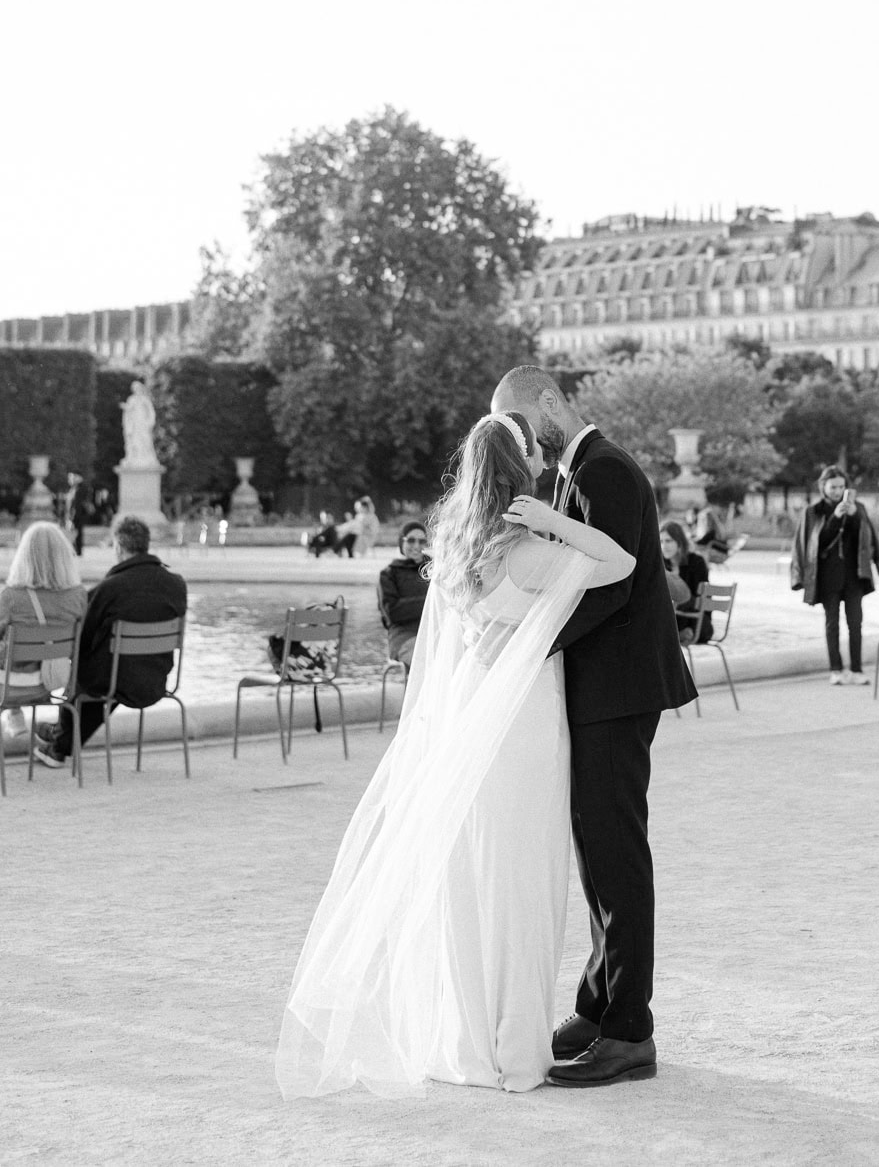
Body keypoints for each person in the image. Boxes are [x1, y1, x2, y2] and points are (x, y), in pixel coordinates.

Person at [275, 410, 638, 1098]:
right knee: (522, 883)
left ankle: (466, 1039)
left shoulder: (455, 552)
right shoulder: (527, 551)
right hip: (522, 721)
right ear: (516, 472)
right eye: (530, 456)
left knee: (469, 885)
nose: (540, 463)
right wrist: (555, 519)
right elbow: (620, 560)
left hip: (464, 720)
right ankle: (512, 1051)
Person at [490, 366, 693, 1088]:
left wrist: (526, 646)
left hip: (616, 688)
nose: (522, 438)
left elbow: (612, 589)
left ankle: (629, 1031)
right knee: (597, 852)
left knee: (616, 856)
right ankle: (599, 1003)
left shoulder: (603, 470)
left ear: (549, 400)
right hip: (607, 687)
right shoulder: (583, 470)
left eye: (521, 421)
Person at [34, 515, 186, 768]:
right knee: (114, 666)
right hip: (155, 680)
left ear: (118, 547)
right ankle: (60, 737)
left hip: (116, 682)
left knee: (90, 667)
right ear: (146, 545)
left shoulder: (112, 587)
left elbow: (82, 635)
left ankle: (61, 741)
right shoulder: (176, 584)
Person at [0, 522, 89, 783]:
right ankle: (14, 713)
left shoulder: (11, 596)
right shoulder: (78, 596)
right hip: (42, 686)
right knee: (5, 672)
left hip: (0, 683)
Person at [790, 465, 879, 685]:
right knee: (831, 623)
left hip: (854, 575)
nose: (837, 491)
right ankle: (836, 669)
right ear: (823, 487)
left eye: (841, 487)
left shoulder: (858, 509)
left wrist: (854, 517)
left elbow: (868, 539)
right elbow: (813, 544)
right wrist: (835, 518)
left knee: (856, 623)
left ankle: (856, 669)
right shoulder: (813, 512)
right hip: (827, 575)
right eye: (833, 487)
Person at [376, 520, 430, 669]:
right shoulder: (388, 574)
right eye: (411, 540)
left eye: (422, 541)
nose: (417, 545)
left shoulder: (435, 569)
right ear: (401, 542)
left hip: (434, 634)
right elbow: (392, 613)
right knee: (424, 659)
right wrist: (429, 602)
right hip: (403, 637)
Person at [659, 520, 711, 644]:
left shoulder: (696, 562)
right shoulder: (661, 564)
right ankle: (677, 635)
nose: (664, 546)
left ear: (680, 542)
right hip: (672, 619)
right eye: (661, 541)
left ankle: (679, 634)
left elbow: (702, 600)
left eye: (669, 541)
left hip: (698, 621)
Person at [63, 472, 89, 558]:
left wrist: (71, 518)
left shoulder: (78, 490)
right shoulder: (73, 489)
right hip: (73, 516)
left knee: (75, 534)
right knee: (75, 534)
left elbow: (76, 506)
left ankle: (76, 551)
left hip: (75, 516)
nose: (69, 480)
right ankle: (75, 550)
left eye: (71, 478)